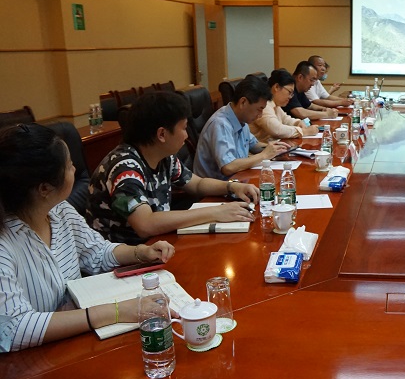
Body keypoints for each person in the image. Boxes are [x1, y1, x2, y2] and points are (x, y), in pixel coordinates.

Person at [0, 123, 175, 352]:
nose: (75, 169)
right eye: (69, 165)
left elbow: (97, 252)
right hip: (36, 358)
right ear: (44, 188)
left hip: (76, 341)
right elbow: (13, 328)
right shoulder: (5, 244)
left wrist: (140, 252)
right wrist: (116, 311)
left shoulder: (60, 211)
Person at [87, 92, 262, 244]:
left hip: (158, 245)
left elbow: (197, 184)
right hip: (126, 259)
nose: (186, 136)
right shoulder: (125, 169)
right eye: (184, 128)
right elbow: (146, 224)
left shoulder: (164, 157)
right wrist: (216, 212)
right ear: (162, 134)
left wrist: (233, 186)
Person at [194, 76, 291, 180]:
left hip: (237, 180)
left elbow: (254, 145)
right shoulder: (221, 124)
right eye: (259, 109)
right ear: (243, 102)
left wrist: (275, 149)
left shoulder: (241, 119)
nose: (260, 115)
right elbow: (228, 167)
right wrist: (264, 155)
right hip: (217, 187)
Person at [250, 69, 319, 141]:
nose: (290, 97)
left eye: (292, 94)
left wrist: (297, 122)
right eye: (289, 92)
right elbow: (276, 129)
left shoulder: (275, 104)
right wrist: (304, 132)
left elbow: (286, 119)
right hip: (262, 146)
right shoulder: (264, 104)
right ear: (276, 87)